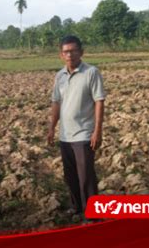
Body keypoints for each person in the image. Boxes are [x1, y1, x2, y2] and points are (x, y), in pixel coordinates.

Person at [47, 35, 106, 218]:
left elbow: (99, 101)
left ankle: (93, 213)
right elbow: (56, 103)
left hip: (84, 134)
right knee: (70, 175)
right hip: (65, 135)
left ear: (81, 52)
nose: (70, 54)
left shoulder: (91, 72)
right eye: (66, 51)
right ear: (61, 55)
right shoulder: (60, 76)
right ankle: (77, 206)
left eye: (73, 50)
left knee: (86, 176)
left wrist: (97, 130)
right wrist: (51, 128)